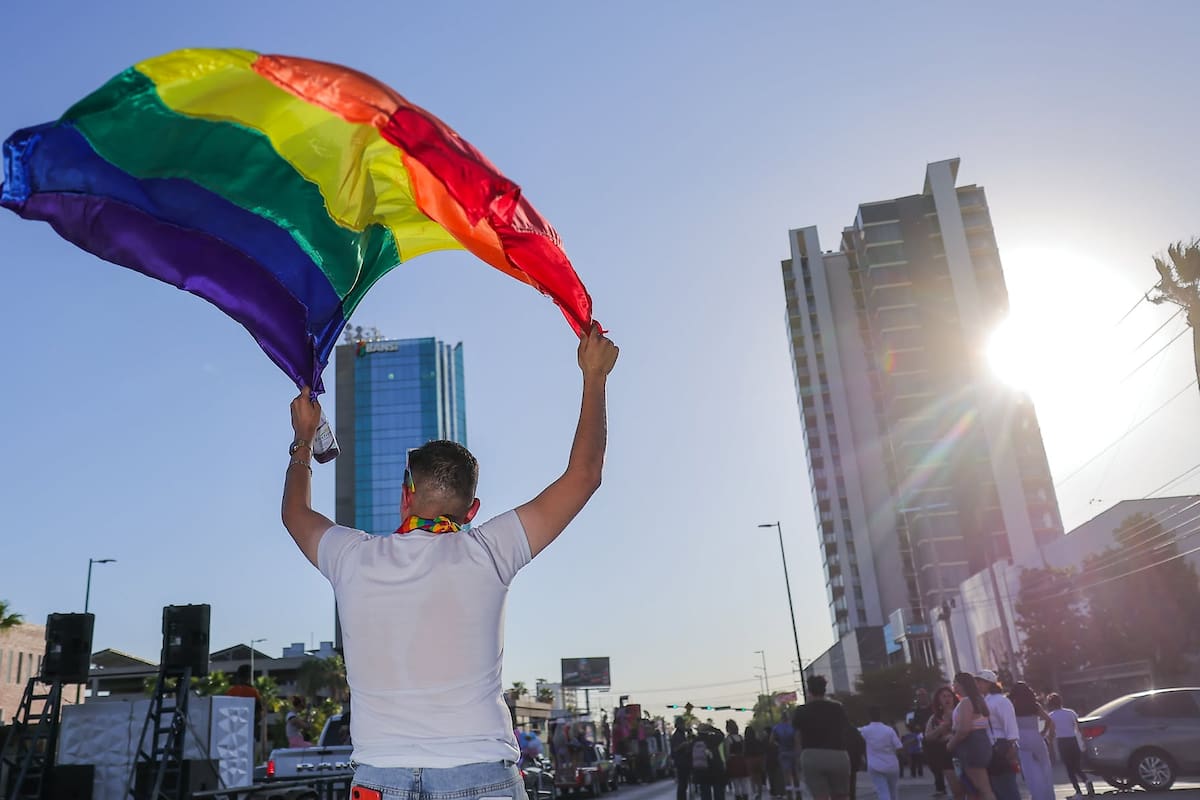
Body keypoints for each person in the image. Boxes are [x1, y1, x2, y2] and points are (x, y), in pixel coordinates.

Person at [281, 325, 618, 799]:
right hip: (481, 777)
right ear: (472, 511)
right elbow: (584, 475)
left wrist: (303, 440)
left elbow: (294, 513)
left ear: (406, 495)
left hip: (380, 781)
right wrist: (595, 375)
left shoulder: (351, 557)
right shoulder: (490, 550)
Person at [791, 675, 851, 800]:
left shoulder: (801, 710)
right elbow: (845, 731)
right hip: (838, 754)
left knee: (820, 796)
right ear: (824, 689)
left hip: (811, 756)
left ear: (809, 691)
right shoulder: (838, 708)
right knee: (841, 795)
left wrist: (799, 757)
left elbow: (797, 736)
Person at [945, 672, 994, 800]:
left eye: (954, 682)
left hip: (971, 745)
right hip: (980, 743)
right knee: (978, 787)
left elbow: (964, 729)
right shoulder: (978, 700)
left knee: (982, 788)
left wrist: (951, 744)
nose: (953, 686)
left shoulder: (966, 702)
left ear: (961, 684)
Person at [975, 670, 1019, 800]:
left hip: (1000, 745)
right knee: (996, 788)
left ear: (989, 683)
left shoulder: (1001, 700)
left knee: (1006, 787)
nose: (977, 685)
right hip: (988, 747)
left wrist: (1010, 747)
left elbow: (1010, 725)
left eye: (980, 682)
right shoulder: (983, 700)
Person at [1008, 682, 1055, 800]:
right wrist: (1043, 732)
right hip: (1036, 737)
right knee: (1044, 768)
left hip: (1021, 739)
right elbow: (1048, 720)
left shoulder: (1012, 707)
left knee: (1030, 771)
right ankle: (1048, 796)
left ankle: (1037, 796)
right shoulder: (1034, 705)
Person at [1046, 694, 1093, 798]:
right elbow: (1078, 727)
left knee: (1069, 768)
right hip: (1073, 740)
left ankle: (1078, 792)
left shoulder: (1052, 716)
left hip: (1062, 742)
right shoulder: (1070, 712)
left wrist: (1049, 743)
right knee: (1076, 766)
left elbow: (1052, 732)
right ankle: (1087, 780)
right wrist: (1083, 740)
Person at [924, 686, 965, 800]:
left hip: (963, 753)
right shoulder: (934, 718)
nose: (947, 699)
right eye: (943, 696)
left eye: (949, 696)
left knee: (969, 788)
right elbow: (927, 737)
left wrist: (952, 736)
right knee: (956, 791)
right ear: (939, 700)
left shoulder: (961, 712)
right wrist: (941, 728)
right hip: (946, 756)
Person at [859, 707, 902, 800]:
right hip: (892, 765)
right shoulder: (889, 730)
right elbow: (899, 747)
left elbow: (857, 738)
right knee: (893, 792)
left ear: (869, 717)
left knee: (882, 791)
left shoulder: (865, 730)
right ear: (880, 716)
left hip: (874, 765)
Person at [910, 689, 945, 795]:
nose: (921, 698)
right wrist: (916, 728)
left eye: (923, 696)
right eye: (919, 696)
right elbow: (915, 725)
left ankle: (942, 786)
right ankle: (939, 786)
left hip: (937, 738)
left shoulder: (933, 709)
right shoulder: (917, 711)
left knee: (941, 762)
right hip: (925, 739)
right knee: (932, 763)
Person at [225, 665, 264, 754]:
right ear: (249, 676)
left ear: (238, 676)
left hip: (232, 732)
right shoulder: (253, 692)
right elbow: (259, 713)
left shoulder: (231, 691)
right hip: (250, 731)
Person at [694, 722, 727, 800]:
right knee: (718, 793)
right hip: (716, 769)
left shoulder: (695, 740)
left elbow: (689, 753)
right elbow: (721, 735)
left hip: (702, 770)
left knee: (705, 794)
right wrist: (712, 728)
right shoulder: (713, 738)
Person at [771, 709, 798, 800]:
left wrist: (778, 744)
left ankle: (789, 794)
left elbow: (771, 740)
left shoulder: (776, 728)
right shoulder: (793, 727)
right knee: (795, 774)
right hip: (793, 752)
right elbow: (797, 740)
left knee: (786, 775)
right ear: (788, 717)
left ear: (781, 718)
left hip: (782, 752)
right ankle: (798, 794)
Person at [671, 717, 694, 800]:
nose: (684, 726)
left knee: (684, 784)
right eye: (682, 724)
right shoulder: (676, 735)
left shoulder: (683, 734)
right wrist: (683, 745)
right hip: (681, 762)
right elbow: (675, 749)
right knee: (682, 784)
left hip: (685, 761)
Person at [744, 725, 767, 800]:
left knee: (752, 778)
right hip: (758, 759)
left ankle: (754, 793)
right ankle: (759, 794)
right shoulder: (757, 741)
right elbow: (762, 750)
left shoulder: (745, 742)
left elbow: (744, 752)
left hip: (750, 760)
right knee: (759, 778)